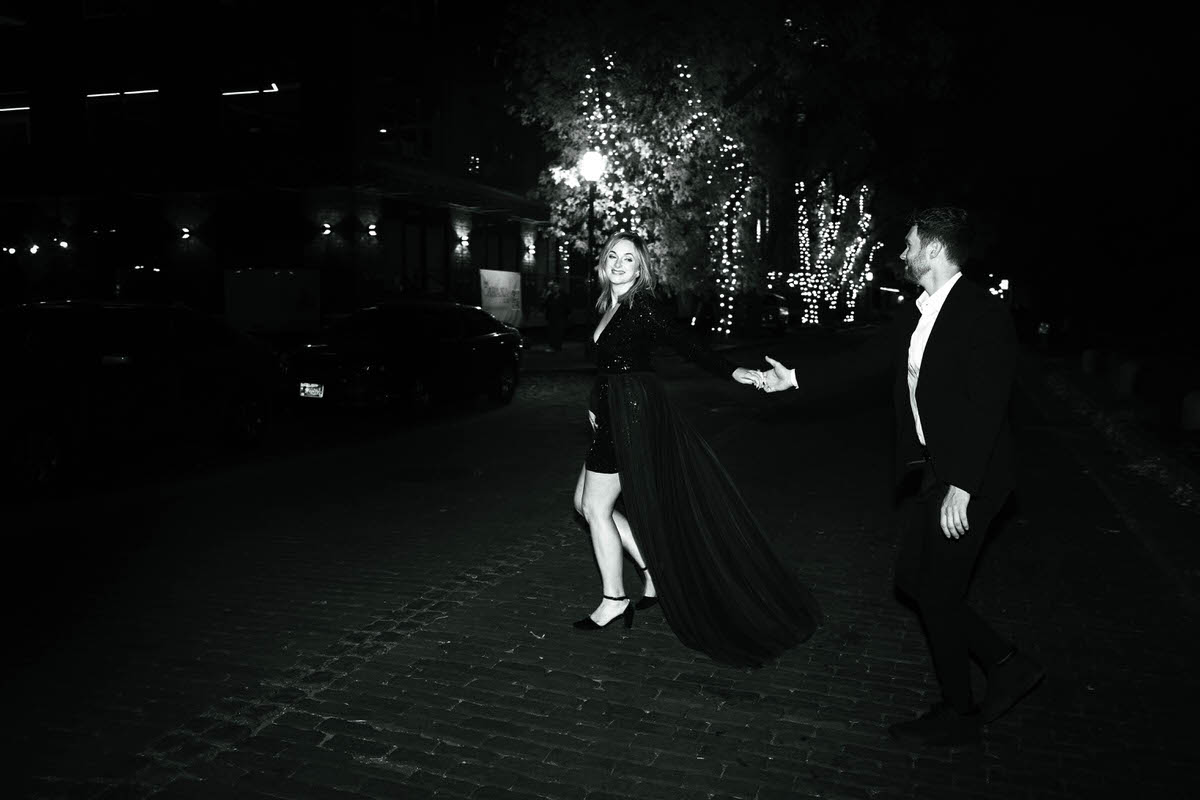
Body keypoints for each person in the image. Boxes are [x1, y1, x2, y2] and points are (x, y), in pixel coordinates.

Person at [756, 208, 1044, 746]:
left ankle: (961, 711)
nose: (904, 252)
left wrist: (963, 484)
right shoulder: (916, 313)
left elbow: (989, 404)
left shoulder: (981, 313)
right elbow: (863, 361)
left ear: (934, 250)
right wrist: (791, 379)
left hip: (971, 477)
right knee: (914, 581)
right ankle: (1006, 664)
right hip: (936, 472)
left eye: (910, 244)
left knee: (936, 593)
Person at [571, 231, 821, 668]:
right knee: (586, 504)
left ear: (641, 268)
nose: (618, 263)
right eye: (613, 255)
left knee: (594, 508)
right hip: (615, 411)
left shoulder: (642, 306)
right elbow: (608, 367)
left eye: (629, 259)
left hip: (630, 414)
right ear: (603, 263)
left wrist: (735, 371)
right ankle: (651, 570)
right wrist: (596, 405)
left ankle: (614, 598)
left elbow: (685, 344)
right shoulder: (609, 304)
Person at [543, 280, 570, 352]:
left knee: (559, 332)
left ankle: (558, 346)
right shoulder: (550, 296)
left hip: (560, 317)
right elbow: (545, 306)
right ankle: (552, 346)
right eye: (554, 287)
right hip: (551, 317)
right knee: (552, 332)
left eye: (557, 287)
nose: (555, 288)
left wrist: (566, 315)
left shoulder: (564, 296)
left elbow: (567, 306)